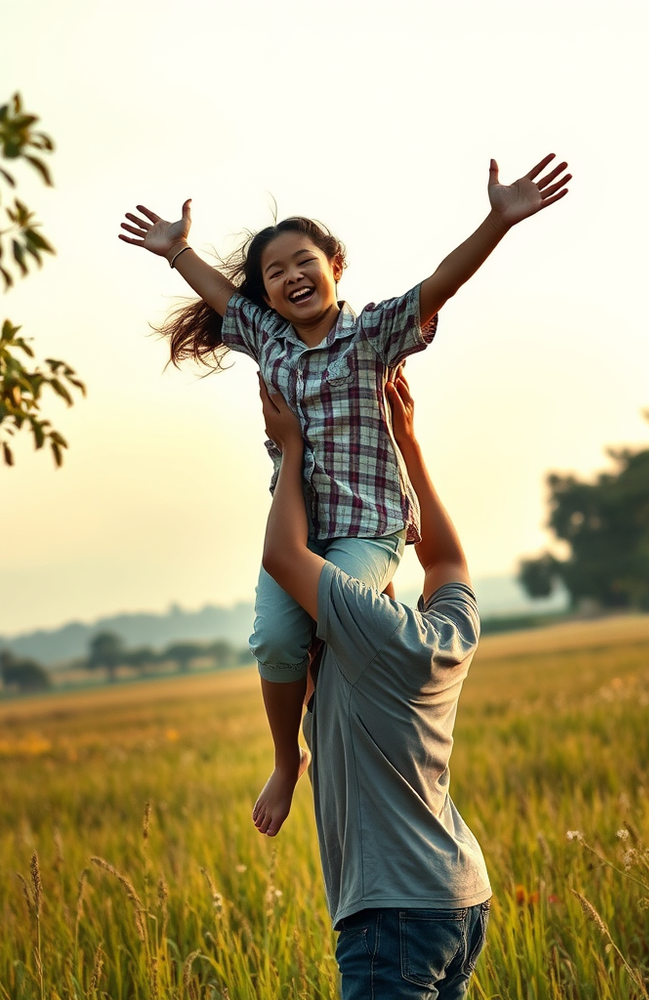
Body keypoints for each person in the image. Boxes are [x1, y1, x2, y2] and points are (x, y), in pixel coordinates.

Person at [119, 155, 570, 837]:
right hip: (297, 534)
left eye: (304, 261)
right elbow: (219, 296)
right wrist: (176, 249)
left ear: (335, 264)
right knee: (275, 640)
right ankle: (286, 756)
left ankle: (373, 642)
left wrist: (498, 221)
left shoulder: (370, 335)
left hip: (367, 528)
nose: (291, 277)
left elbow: (438, 284)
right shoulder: (265, 336)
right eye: (275, 272)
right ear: (266, 296)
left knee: (341, 625)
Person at [258, 369, 490, 999]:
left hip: (393, 917)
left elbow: (283, 557)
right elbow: (445, 560)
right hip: (462, 899)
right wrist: (406, 443)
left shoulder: (371, 636)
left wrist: (293, 452)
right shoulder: (448, 635)